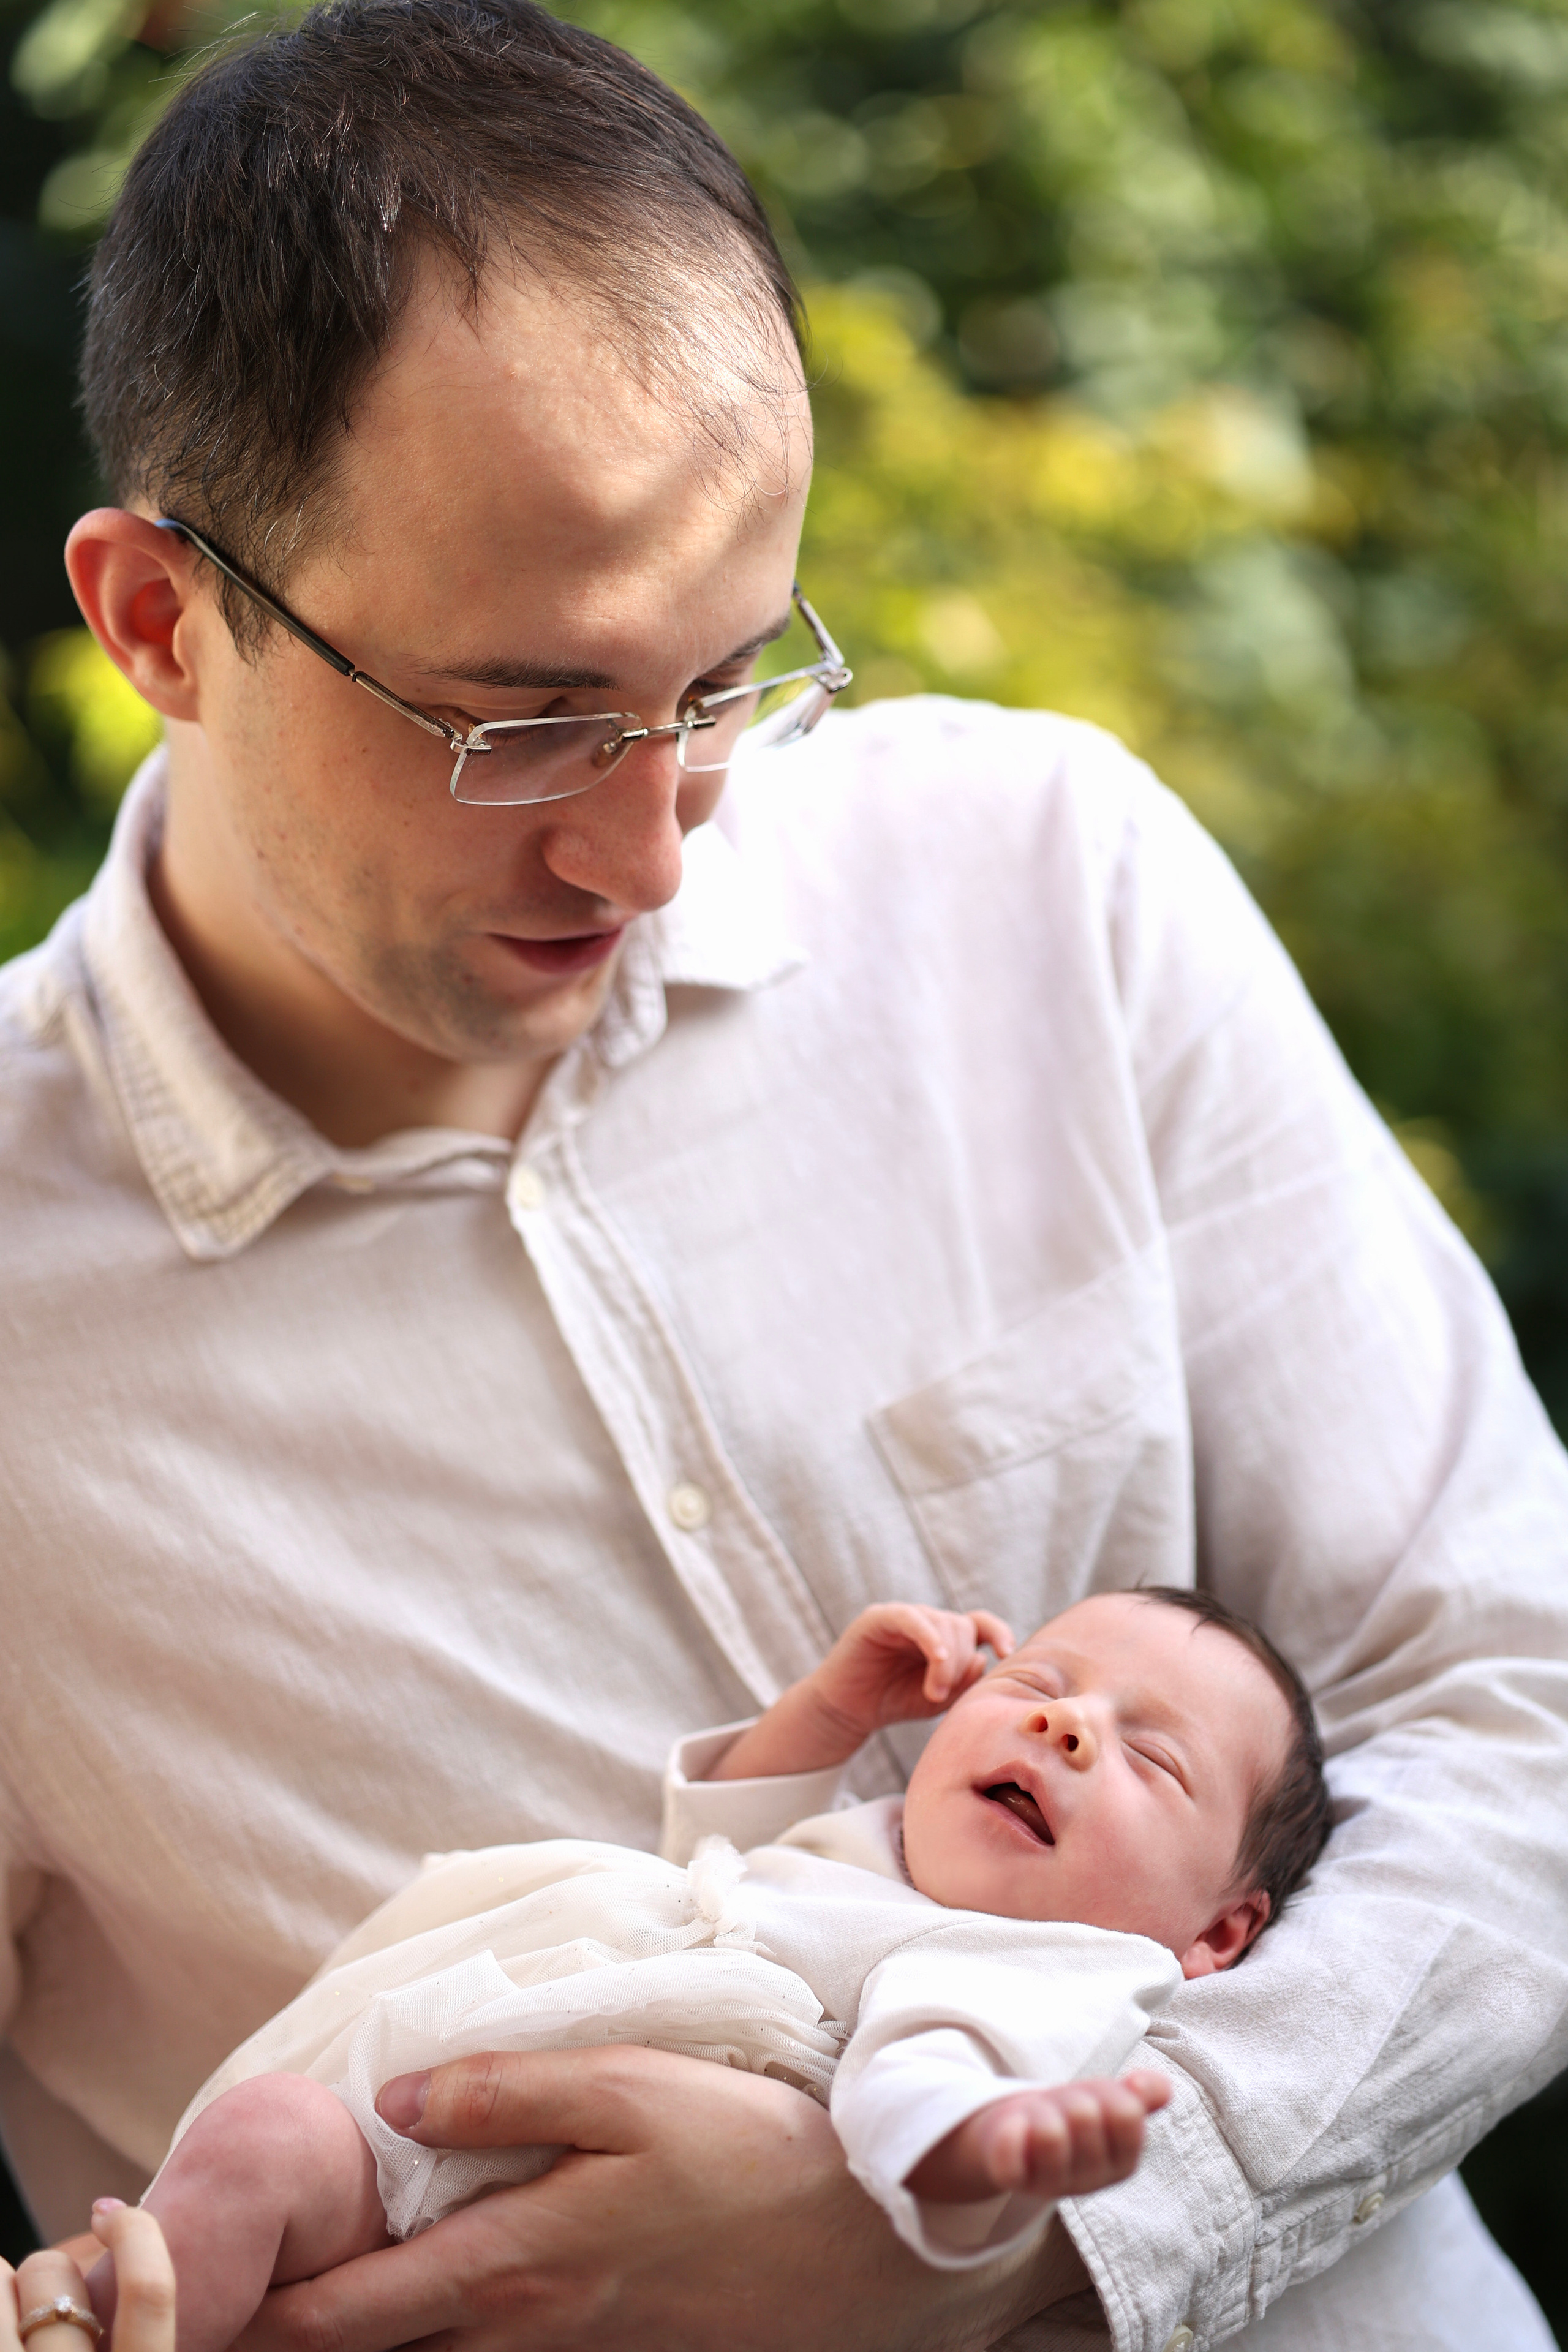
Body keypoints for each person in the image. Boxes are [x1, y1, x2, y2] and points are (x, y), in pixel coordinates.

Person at [0, 0, 1564, 2346]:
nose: (649, 838)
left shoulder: (1043, 876)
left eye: (728, 684)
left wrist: (1022, 2240)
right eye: (523, 719)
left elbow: (1519, 1695)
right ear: (159, 621)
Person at [92, 1591, 1328, 2352]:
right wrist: (831, 1712)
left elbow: (921, 2082)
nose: (1066, 1725)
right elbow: (725, 1852)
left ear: (1215, 1934)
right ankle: (96, 2315)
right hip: (409, 2156)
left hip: (550, 2225)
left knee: (262, 2158)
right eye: (1035, 1686)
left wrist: (983, 2157)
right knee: (252, 2158)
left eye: (1148, 1759)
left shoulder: (1043, 1964)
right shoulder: (876, 1845)